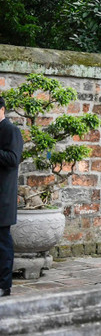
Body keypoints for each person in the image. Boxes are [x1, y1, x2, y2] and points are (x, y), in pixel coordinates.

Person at [0, 96, 23, 297]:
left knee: (2, 242)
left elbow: (13, 159)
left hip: (2, 198)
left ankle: (4, 285)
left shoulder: (11, 130)